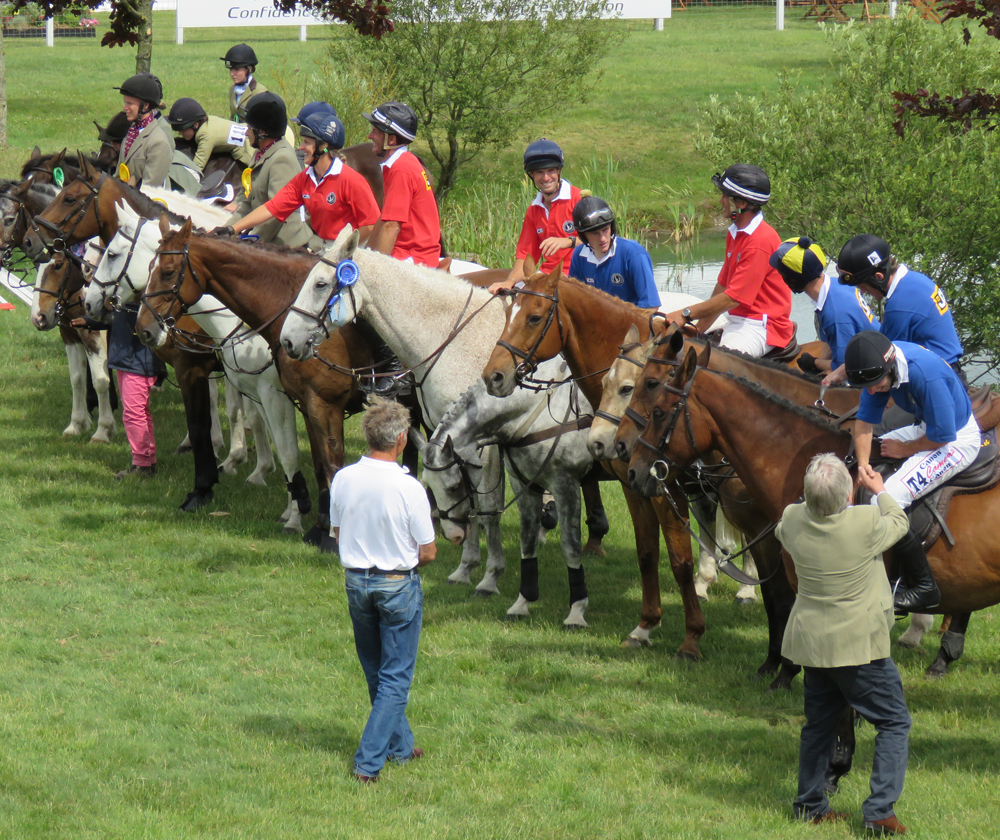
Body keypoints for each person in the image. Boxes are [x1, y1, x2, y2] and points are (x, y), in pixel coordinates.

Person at [776, 453, 911, 835]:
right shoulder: (866, 522)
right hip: (859, 649)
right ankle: (879, 813)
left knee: (818, 726)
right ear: (849, 495)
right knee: (894, 721)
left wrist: (808, 502)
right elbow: (899, 521)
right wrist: (880, 490)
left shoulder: (791, 520)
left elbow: (783, 528)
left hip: (815, 646)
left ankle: (809, 805)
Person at [329, 398, 436, 784]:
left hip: (357, 581)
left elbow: (338, 532)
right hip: (397, 585)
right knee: (396, 677)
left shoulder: (343, 478)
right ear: (402, 439)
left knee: (377, 671)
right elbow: (428, 551)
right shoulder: (409, 487)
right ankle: (368, 763)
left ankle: (401, 747)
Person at [845, 330, 981, 612]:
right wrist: (863, 466)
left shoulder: (925, 375)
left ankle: (923, 587)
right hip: (927, 426)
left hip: (956, 439)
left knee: (886, 498)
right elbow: (864, 424)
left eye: (876, 384)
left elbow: (943, 435)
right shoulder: (878, 369)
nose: (872, 391)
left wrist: (906, 450)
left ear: (891, 366)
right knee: (870, 450)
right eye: (867, 386)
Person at [660, 164, 794, 357]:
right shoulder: (736, 233)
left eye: (725, 196)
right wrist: (699, 331)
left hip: (762, 328)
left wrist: (684, 314)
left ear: (741, 204)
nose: (721, 201)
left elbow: (732, 299)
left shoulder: (759, 240)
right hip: (738, 321)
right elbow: (722, 288)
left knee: (713, 365)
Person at [216, 109, 379, 249]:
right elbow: (271, 208)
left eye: (306, 142)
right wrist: (231, 229)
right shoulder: (304, 179)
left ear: (323, 147)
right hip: (321, 246)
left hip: (349, 248)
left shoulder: (351, 180)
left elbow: (370, 225)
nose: (301, 147)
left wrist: (342, 248)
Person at [825, 234, 964, 386]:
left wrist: (840, 373)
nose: (864, 292)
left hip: (939, 380)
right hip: (947, 368)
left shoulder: (899, 306)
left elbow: (881, 358)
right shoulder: (914, 279)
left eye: (863, 286)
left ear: (878, 277)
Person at [72, 306, 166, 480]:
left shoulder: (139, 297)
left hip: (137, 361)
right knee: (140, 412)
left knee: (133, 414)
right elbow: (115, 317)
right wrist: (90, 321)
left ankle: (142, 465)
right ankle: (148, 460)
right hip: (127, 359)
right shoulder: (126, 296)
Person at [769, 236, 880, 374]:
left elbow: (843, 368)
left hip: (870, 369)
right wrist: (818, 363)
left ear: (791, 280)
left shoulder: (834, 313)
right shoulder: (837, 285)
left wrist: (814, 363)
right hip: (867, 350)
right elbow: (829, 340)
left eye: (782, 274)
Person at [490, 139, 580, 293]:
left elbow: (600, 240)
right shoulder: (534, 209)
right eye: (539, 172)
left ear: (559, 171)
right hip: (548, 276)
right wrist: (509, 281)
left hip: (580, 275)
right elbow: (526, 255)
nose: (546, 178)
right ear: (531, 174)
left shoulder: (579, 199)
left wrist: (568, 241)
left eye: (550, 170)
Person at [223, 93, 310, 247]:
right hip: (263, 237)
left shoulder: (281, 160)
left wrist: (250, 243)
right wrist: (225, 232)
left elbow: (275, 215)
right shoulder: (260, 152)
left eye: (249, 128)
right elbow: (247, 203)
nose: (245, 132)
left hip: (283, 245)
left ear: (262, 132)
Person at [363, 101, 442, 267]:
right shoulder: (403, 163)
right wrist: (364, 256)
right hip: (409, 253)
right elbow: (385, 218)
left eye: (375, 132)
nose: (370, 136)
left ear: (391, 139)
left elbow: (391, 226)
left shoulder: (401, 169)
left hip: (412, 258)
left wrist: (377, 269)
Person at [568, 196, 659, 307]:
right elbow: (574, 301)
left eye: (605, 230)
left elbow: (651, 305)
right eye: (594, 233)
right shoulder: (579, 256)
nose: (602, 238)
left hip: (633, 322)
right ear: (583, 236)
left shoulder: (633, 254)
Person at [165, 97, 253, 174]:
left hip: (246, 147)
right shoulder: (207, 122)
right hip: (245, 130)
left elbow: (197, 166)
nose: (180, 133)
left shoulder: (206, 136)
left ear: (195, 125)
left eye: (183, 130)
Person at [114, 73, 172, 188]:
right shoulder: (131, 133)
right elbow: (119, 174)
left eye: (130, 103)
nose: (125, 107)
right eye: (125, 102)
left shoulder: (158, 142)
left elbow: (150, 188)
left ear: (145, 106)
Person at [223, 43, 266, 123]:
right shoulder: (232, 90)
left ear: (249, 69)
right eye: (230, 70)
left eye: (237, 70)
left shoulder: (260, 92)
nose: (232, 73)